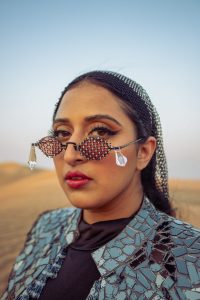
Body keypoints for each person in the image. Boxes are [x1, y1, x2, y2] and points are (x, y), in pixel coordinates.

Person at [2, 70, 200, 300]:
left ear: (143, 152)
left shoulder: (191, 255)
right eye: (62, 133)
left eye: (100, 131)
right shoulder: (45, 226)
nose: (69, 156)